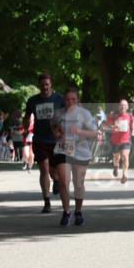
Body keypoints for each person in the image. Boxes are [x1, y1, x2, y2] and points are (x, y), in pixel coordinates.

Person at [52, 88, 99, 226]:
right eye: (67, 99)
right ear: (64, 100)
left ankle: (78, 211)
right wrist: (58, 134)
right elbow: (54, 128)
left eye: (73, 99)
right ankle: (66, 212)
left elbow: (95, 133)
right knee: (63, 181)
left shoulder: (84, 114)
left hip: (81, 150)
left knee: (78, 184)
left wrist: (79, 131)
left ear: (77, 100)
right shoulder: (58, 114)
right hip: (63, 149)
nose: (70, 102)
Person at [22, 73, 66, 213]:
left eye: (47, 84)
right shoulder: (33, 101)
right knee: (44, 169)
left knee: (55, 173)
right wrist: (25, 128)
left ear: (51, 85)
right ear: (39, 86)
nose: (44, 87)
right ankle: (46, 201)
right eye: (42, 85)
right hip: (40, 140)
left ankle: (56, 181)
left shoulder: (59, 99)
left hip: (56, 140)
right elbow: (27, 116)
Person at [108, 98, 132, 184]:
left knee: (125, 156)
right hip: (115, 141)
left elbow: (133, 126)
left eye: (125, 105)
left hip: (126, 140)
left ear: (127, 107)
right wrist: (113, 126)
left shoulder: (130, 116)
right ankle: (116, 166)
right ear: (119, 106)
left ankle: (124, 175)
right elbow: (107, 125)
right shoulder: (113, 115)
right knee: (116, 157)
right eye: (121, 105)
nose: (123, 106)